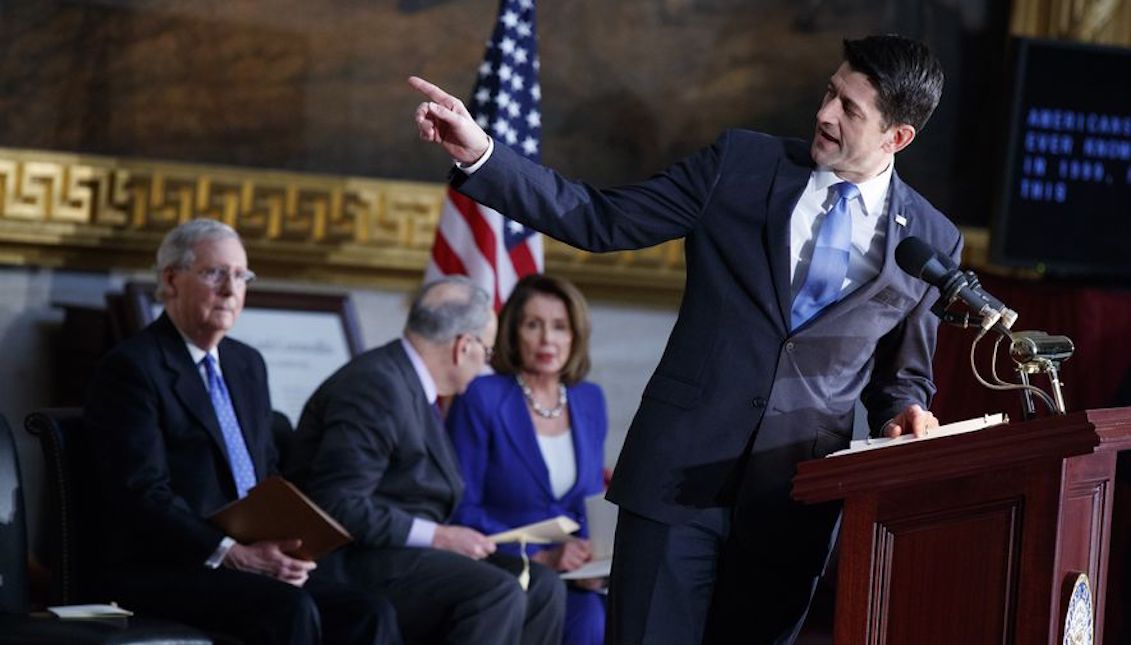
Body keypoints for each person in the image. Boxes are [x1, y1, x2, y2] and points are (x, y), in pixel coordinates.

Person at [410, 34, 961, 644]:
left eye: (850, 109)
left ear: (897, 137)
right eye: (830, 92)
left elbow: (901, 377)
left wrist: (908, 412)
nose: (825, 114)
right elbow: (601, 218)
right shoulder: (741, 165)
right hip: (677, 482)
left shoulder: (932, 241)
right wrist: (484, 155)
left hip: (791, 504)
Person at [83, 218, 399, 645]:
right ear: (172, 280)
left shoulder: (246, 364)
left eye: (240, 275)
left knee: (369, 612)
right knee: (289, 609)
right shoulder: (133, 368)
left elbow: (263, 474)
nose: (231, 291)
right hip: (168, 564)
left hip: (252, 554)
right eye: (215, 273)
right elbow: (140, 492)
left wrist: (289, 547)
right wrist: (230, 553)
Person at [284, 276, 566, 645]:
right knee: (494, 592)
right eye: (487, 351)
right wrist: (440, 536)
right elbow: (339, 505)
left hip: (403, 556)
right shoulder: (376, 385)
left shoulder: (409, 383)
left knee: (542, 586)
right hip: (356, 560)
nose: (485, 365)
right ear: (463, 347)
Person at [447, 274, 608, 645]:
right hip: (503, 566)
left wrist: (594, 560)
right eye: (533, 325)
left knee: (599, 622)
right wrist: (540, 555)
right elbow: (460, 505)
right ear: (513, 332)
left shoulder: (589, 399)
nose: (547, 339)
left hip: (575, 572)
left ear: (575, 335)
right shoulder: (482, 396)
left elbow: (590, 503)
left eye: (559, 326)